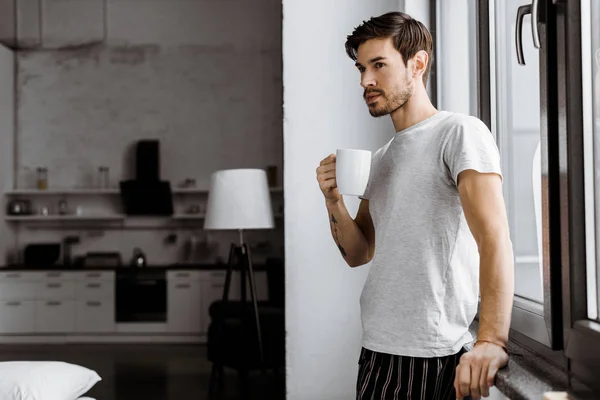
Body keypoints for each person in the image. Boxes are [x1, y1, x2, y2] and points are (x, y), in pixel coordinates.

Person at [315, 12, 514, 400]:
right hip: (376, 348)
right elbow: (359, 253)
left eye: (378, 65)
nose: (365, 81)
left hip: (430, 354)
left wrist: (491, 339)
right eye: (360, 68)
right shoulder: (384, 156)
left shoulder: (458, 132)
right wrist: (333, 200)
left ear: (417, 63)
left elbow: (494, 239)